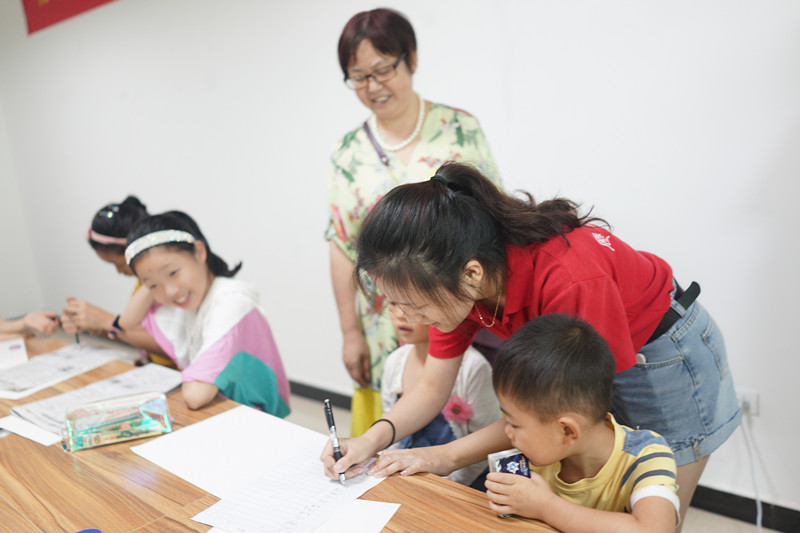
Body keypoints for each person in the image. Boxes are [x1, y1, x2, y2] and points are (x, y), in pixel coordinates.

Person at [321, 162, 739, 529]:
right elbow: (432, 387)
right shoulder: (456, 285)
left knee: (651, 504)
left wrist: (445, 456)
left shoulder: (570, 280)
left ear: (471, 274)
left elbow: (546, 414)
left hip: (663, 356)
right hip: (590, 356)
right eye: (397, 304)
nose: (409, 318)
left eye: (414, 305)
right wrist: (372, 439)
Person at [326, 8, 502, 437]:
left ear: (411, 59)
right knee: (397, 423)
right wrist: (350, 332)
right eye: (359, 77)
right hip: (386, 316)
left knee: (468, 418)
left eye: (383, 70)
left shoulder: (459, 129)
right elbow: (341, 244)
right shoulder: (347, 152)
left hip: (454, 309)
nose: (373, 86)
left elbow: (492, 220)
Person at [486, 314, 679, 531]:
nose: (507, 433)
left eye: (514, 424)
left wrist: (544, 506)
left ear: (568, 431)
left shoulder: (645, 456)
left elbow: (653, 530)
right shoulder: (539, 450)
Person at [119, 211, 290, 414]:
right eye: (153, 286)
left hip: (255, 417)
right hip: (222, 409)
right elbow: (128, 324)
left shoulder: (231, 302)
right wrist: (154, 274)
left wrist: (155, 276)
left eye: (173, 272)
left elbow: (195, 396)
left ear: (199, 252)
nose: (170, 292)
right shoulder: (193, 300)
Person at [381, 307, 501, 486]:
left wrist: (448, 486)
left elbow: (484, 443)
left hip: (463, 480)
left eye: (412, 305)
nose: (400, 314)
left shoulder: (473, 367)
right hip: (409, 473)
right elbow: (389, 421)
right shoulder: (395, 360)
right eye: (393, 303)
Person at [60, 196, 170, 365]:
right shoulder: (143, 282)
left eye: (119, 264)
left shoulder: (169, 286)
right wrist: (93, 324)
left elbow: (178, 347)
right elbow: (142, 331)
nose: (119, 272)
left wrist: (105, 321)